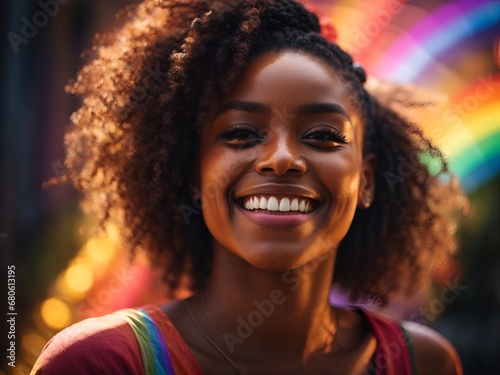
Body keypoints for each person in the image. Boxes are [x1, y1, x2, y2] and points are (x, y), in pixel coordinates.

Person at [32, 0, 468, 374]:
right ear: (191, 173)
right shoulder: (100, 362)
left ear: (367, 179)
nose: (281, 158)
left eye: (322, 136)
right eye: (240, 133)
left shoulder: (423, 362)